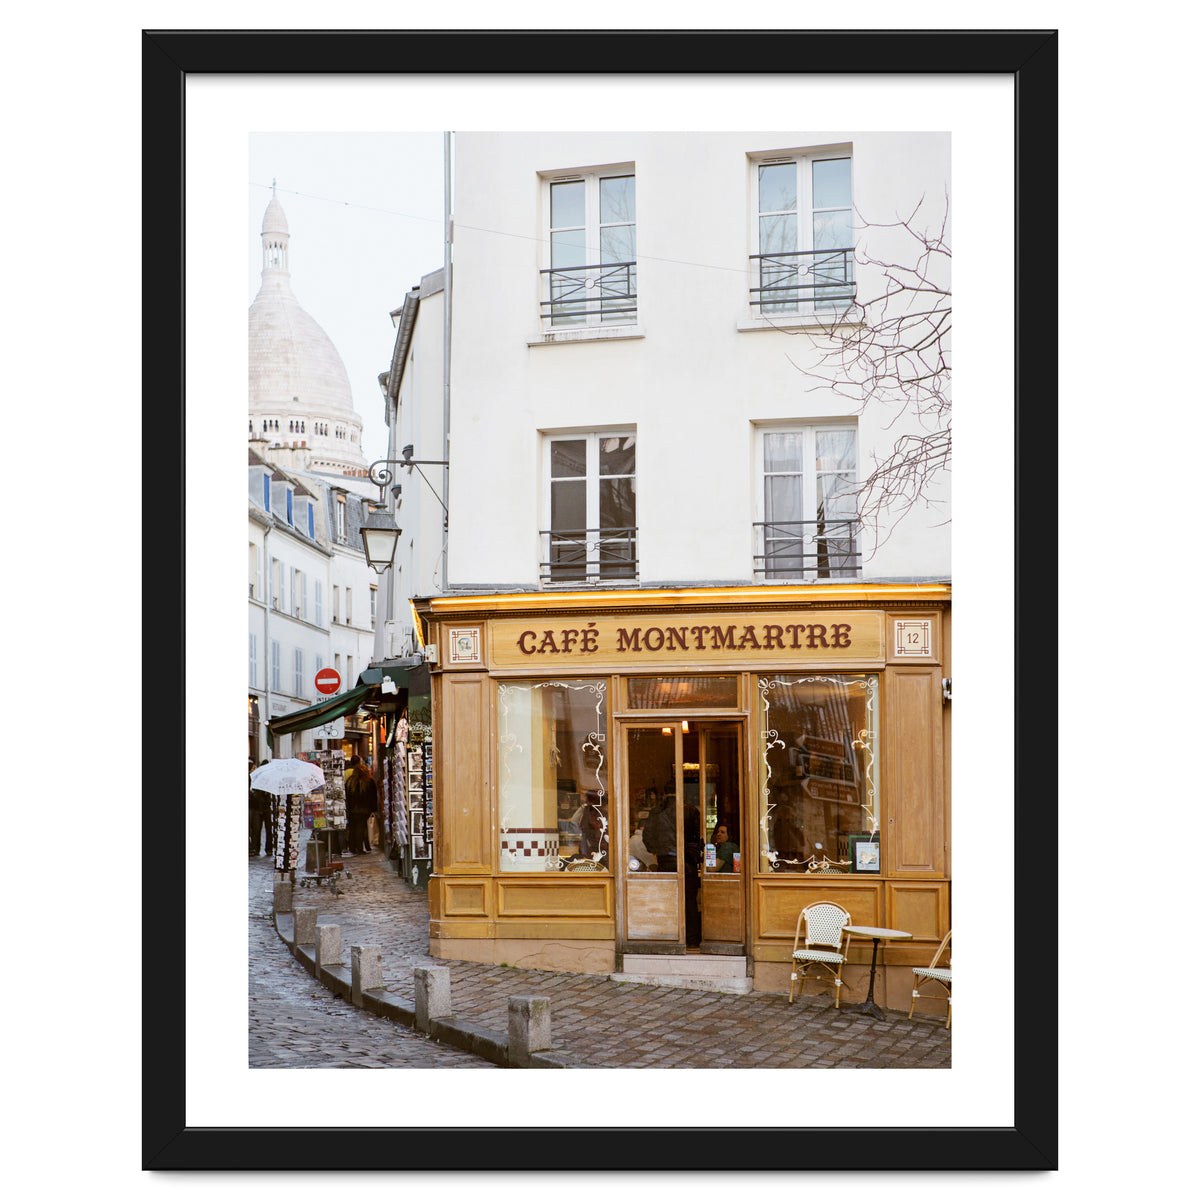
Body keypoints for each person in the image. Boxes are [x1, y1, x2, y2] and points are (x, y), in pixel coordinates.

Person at [344, 754, 377, 855]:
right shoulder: (369, 782)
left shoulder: (350, 781)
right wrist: (373, 809)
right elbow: (373, 796)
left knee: (353, 828)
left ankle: (352, 848)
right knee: (361, 828)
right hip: (364, 809)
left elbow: (347, 796)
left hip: (352, 809)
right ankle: (360, 848)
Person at [249, 760, 272, 857]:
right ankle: (258, 848)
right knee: (258, 829)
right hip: (259, 807)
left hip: (263, 807)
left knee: (263, 829)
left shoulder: (270, 779)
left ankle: (266, 848)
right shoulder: (257, 778)